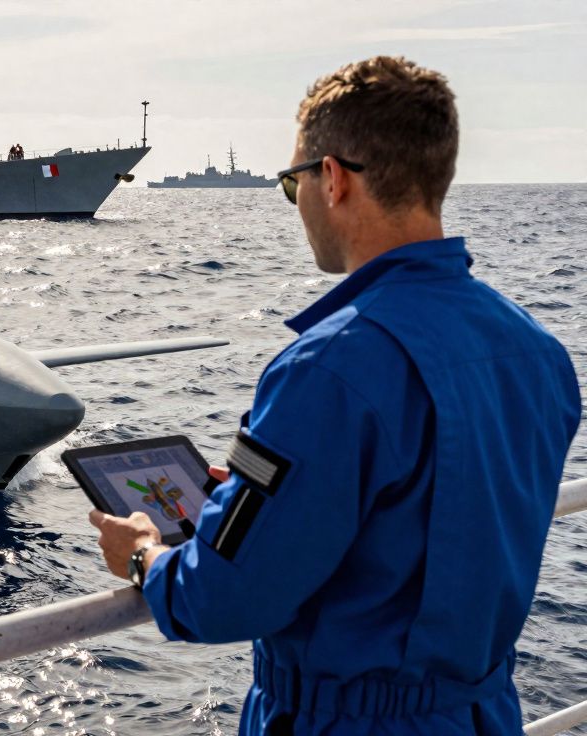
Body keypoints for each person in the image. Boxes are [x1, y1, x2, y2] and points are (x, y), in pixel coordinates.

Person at [89, 56, 579, 735]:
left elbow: (226, 598)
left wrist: (145, 553)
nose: (299, 206)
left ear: (333, 178)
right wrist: (274, 502)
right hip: (482, 715)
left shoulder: (327, 370)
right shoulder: (538, 354)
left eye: (294, 184)